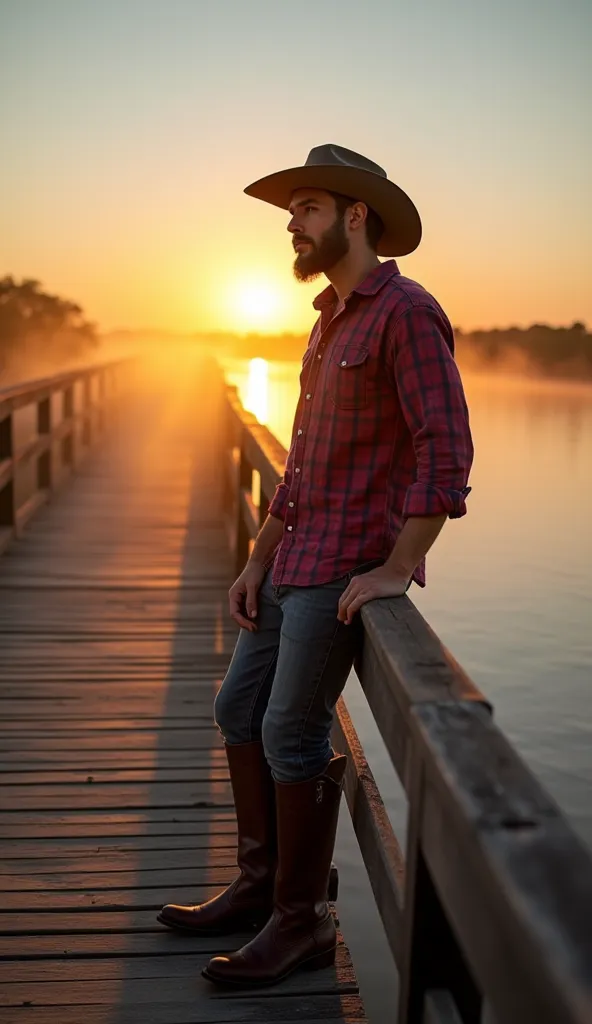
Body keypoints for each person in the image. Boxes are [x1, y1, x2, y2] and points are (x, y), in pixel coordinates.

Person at [158, 144, 474, 987]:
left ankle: (302, 920)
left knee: (289, 733)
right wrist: (257, 559)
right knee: (237, 710)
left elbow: (445, 454)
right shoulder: (327, 318)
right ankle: (260, 887)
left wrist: (398, 569)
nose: (290, 227)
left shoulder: (407, 313)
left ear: (354, 215)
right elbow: (299, 470)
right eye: (291, 213)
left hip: (344, 570)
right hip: (295, 557)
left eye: (304, 209)